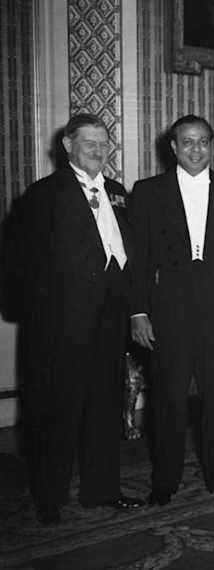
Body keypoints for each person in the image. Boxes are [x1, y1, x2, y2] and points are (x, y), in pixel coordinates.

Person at [18, 113, 144, 524]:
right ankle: (50, 498)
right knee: (59, 410)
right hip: (62, 325)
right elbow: (22, 263)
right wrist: (41, 318)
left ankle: (101, 489)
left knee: (105, 406)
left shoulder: (119, 192)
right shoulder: (44, 194)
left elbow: (131, 253)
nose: (97, 149)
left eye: (103, 142)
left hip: (110, 320)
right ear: (68, 145)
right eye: (88, 142)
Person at [129, 115, 214, 505]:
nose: (196, 149)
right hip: (167, 309)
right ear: (173, 147)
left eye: (203, 141)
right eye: (188, 142)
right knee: (167, 397)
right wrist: (138, 312)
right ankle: (164, 480)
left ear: (212, 144)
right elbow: (136, 259)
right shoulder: (148, 191)